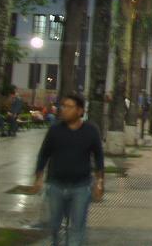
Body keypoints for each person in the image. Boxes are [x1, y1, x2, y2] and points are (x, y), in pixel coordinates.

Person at [32, 94, 104, 246]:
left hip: (81, 187)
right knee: (54, 225)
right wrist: (38, 177)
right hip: (56, 186)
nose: (64, 110)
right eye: (63, 106)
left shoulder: (91, 131)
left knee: (77, 227)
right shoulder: (55, 130)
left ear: (80, 111)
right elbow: (44, 154)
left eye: (69, 107)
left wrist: (99, 182)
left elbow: (98, 157)